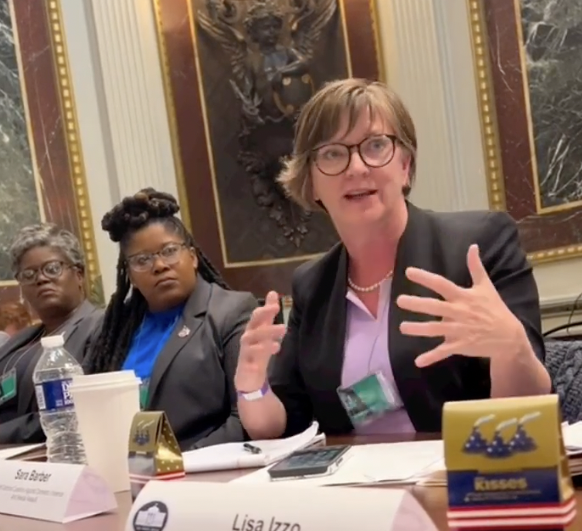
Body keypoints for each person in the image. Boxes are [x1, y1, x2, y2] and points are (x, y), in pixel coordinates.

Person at [234, 78, 551, 439]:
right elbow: (284, 423)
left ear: (405, 164)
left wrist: (512, 349)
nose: (356, 168)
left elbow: (530, 410)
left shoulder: (478, 246)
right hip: (356, 474)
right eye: (333, 153)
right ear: (311, 181)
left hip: (466, 465)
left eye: (375, 145)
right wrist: (250, 385)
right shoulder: (312, 284)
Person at [84, 188, 257, 450]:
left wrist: (178, 462)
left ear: (193, 257)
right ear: (130, 275)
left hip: (202, 466)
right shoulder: (113, 329)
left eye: (169, 251)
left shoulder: (231, 312)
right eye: (142, 260)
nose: (159, 266)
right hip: (122, 466)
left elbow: (245, 418)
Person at [0, 224, 103, 443]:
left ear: (79, 275)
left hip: (48, 452)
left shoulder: (100, 327)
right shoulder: (19, 341)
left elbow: (70, 413)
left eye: (52, 268)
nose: (41, 279)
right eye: (29, 274)